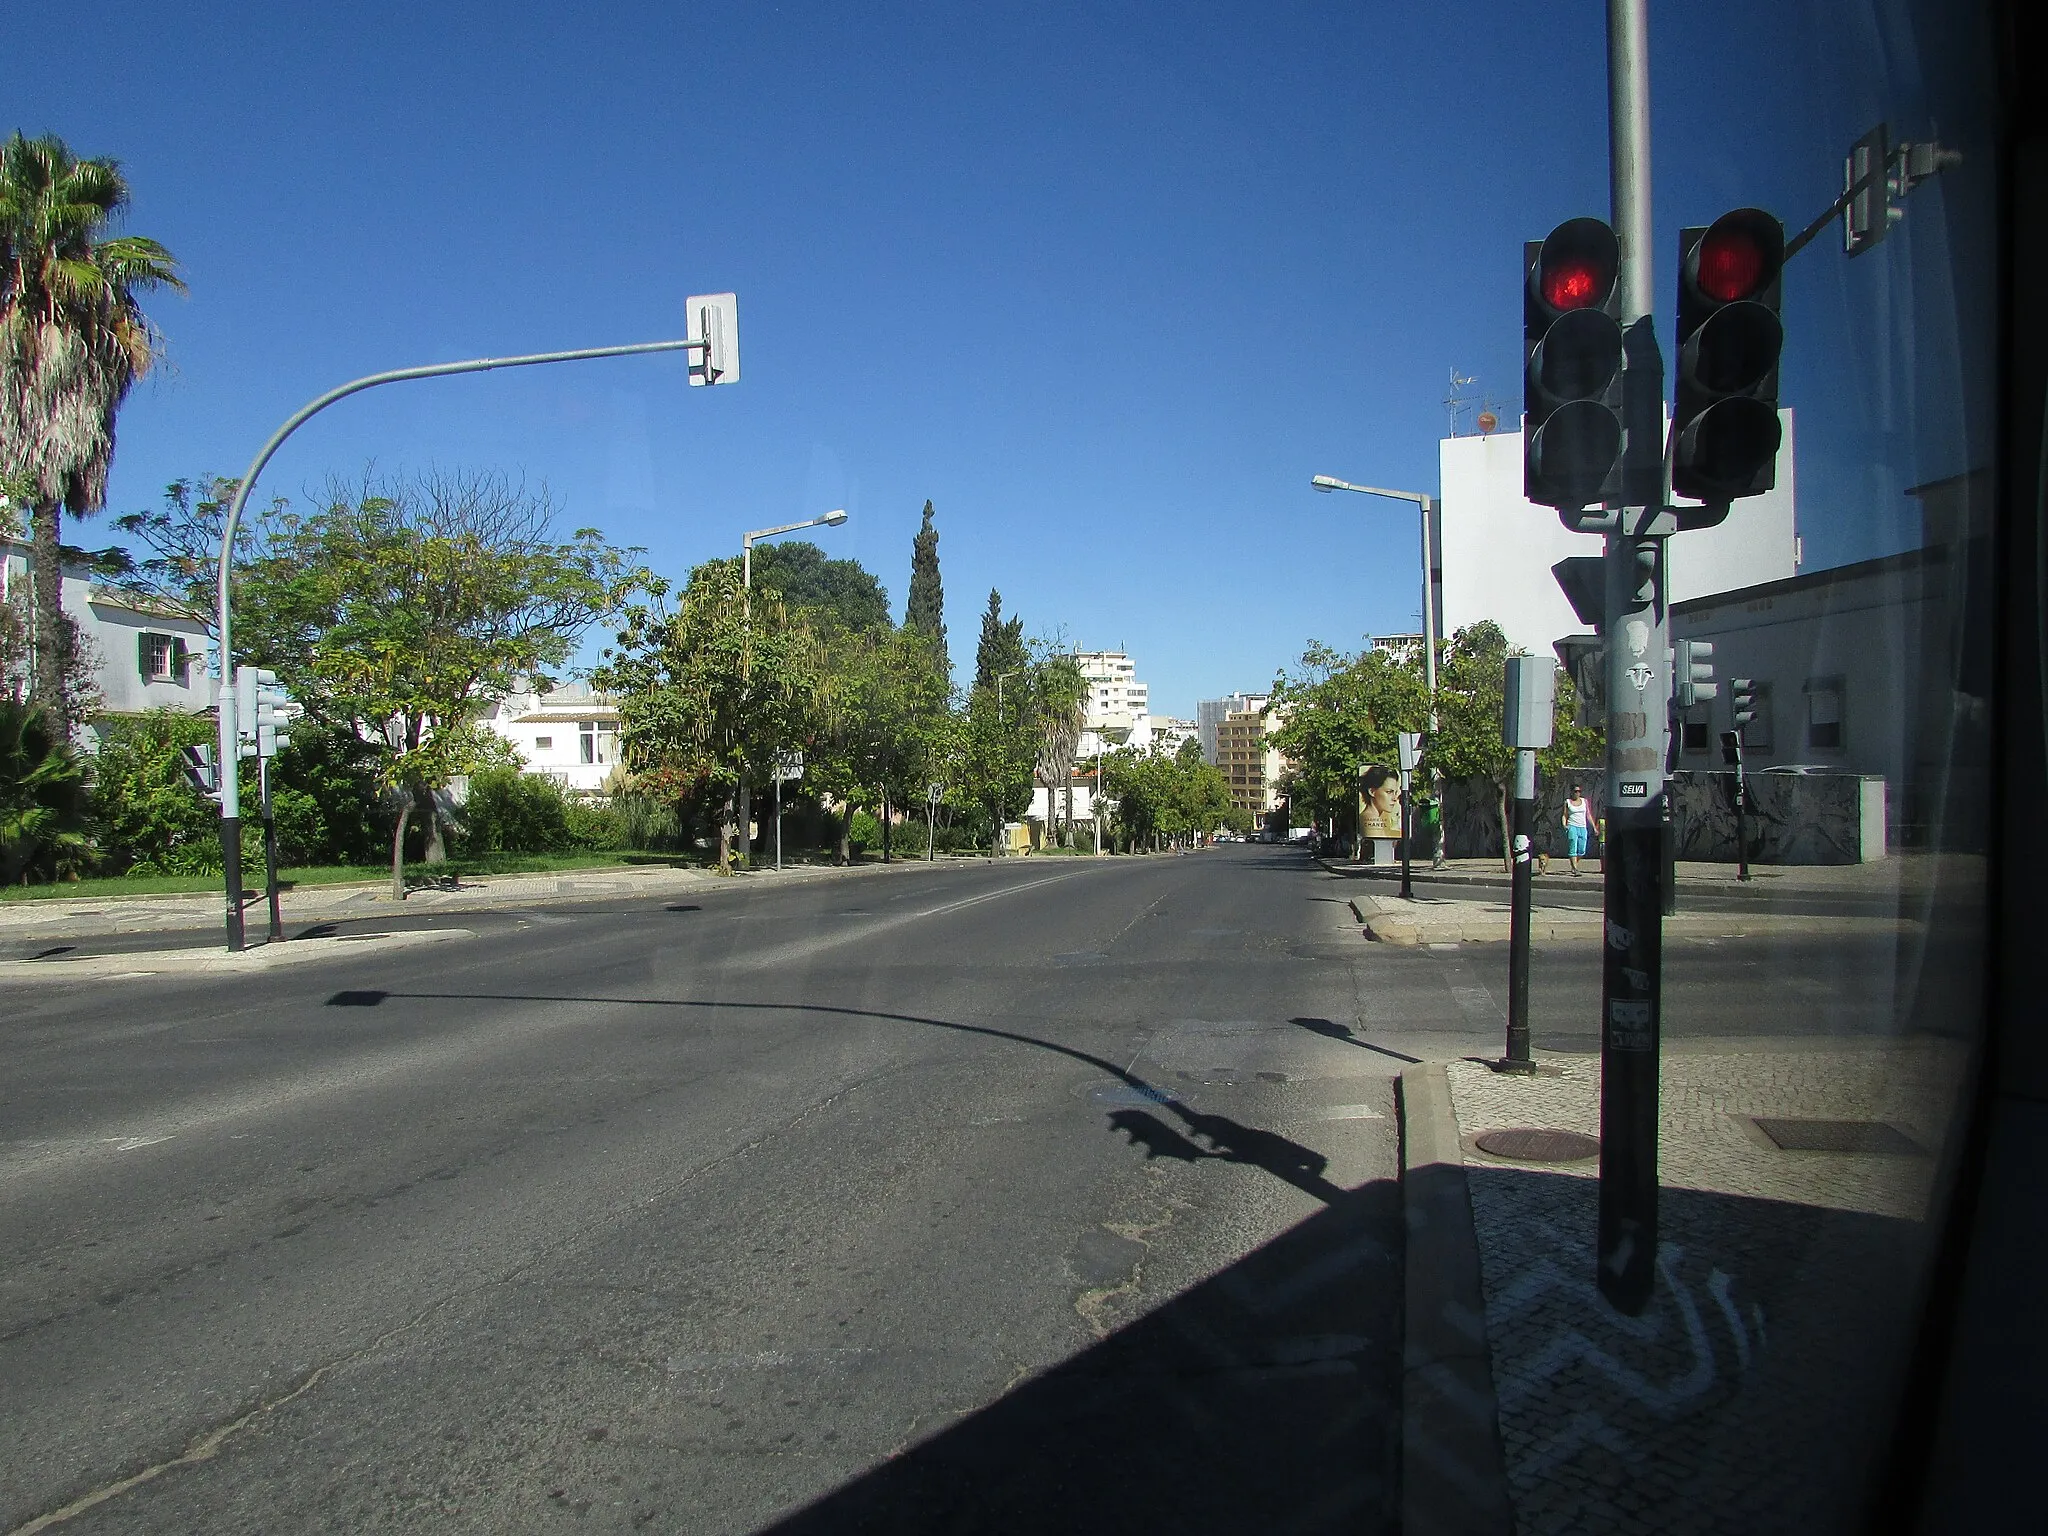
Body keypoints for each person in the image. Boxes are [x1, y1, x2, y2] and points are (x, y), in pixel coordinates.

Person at [1360, 765, 1403, 842]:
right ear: (1372, 792)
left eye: (1395, 792)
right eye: (1389, 792)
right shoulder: (1369, 820)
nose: (1395, 798)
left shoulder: (1379, 818)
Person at [1562, 784, 1593, 875]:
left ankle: (1574, 863)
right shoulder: (1567, 802)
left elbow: (1588, 814)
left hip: (1582, 827)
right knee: (1573, 847)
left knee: (1582, 850)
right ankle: (1575, 868)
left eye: (1579, 791)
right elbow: (1564, 815)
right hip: (1572, 826)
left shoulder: (1584, 801)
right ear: (1572, 792)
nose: (1577, 793)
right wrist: (1564, 825)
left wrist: (1594, 827)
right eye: (1575, 791)